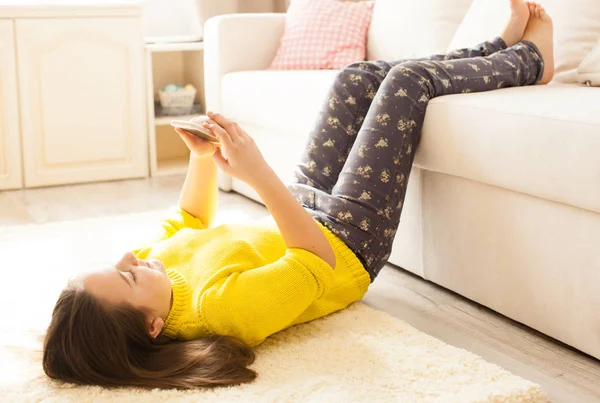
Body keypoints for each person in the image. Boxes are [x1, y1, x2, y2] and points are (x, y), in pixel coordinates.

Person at [42, 0, 554, 390]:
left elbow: (188, 220)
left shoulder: (152, 272)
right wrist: (257, 173)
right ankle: (530, 61)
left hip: (304, 214)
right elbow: (315, 261)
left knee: (355, 78)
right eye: (127, 275)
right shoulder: (224, 311)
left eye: (118, 262)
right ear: (153, 328)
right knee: (406, 82)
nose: (134, 257)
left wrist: (201, 158)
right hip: (347, 246)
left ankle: (492, 51)